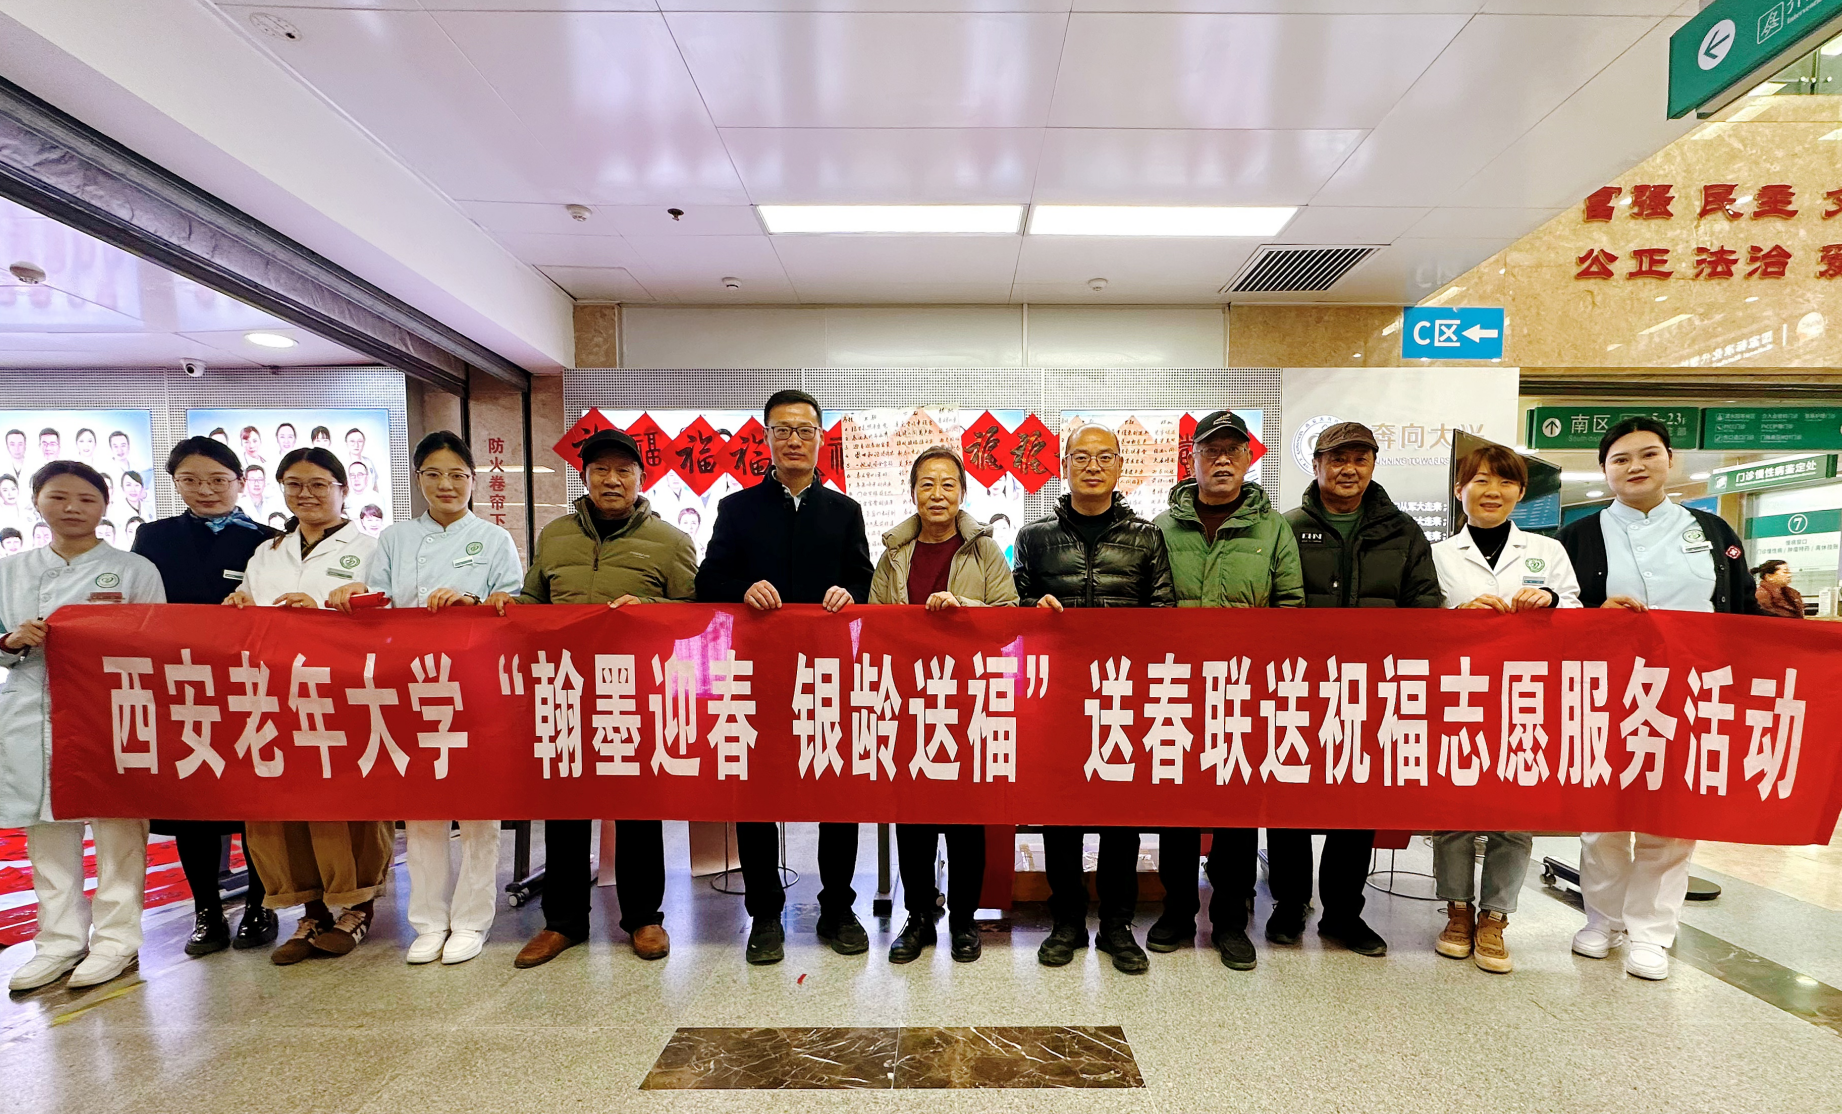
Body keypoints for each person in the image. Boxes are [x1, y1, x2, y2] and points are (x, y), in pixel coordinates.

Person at [1558, 417, 1758, 980]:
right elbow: (1557, 612)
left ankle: (1651, 932)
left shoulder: (1713, 530)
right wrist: (1592, 615)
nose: (1635, 466)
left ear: (1671, 460)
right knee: (1602, 811)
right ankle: (1602, 920)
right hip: (1606, 690)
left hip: (1692, 688)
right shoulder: (1577, 535)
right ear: (1605, 471)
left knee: (1671, 812)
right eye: (1620, 459)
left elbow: (1744, 611)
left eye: (1648, 454)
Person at [697, 389, 874, 966]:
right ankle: (765, 914)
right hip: (757, 674)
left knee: (836, 791)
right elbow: (708, 581)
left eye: (804, 430)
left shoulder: (844, 510)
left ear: (821, 438)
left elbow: (865, 580)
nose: (794, 440)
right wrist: (741, 588)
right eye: (782, 430)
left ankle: (837, 908)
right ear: (767, 438)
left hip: (828, 673)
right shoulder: (737, 509)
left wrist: (850, 592)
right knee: (756, 793)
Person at [330, 431, 521, 966]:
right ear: (418, 480)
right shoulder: (394, 538)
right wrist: (351, 596)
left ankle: (472, 921)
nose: (446, 485)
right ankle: (429, 921)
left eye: (457, 475)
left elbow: (512, 604)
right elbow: (377, 604)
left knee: (479, 810)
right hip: (409, 684)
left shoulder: (494, 538)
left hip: (474, 684)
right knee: (422, 807)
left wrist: (472, 601)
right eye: (434, 474)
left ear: (473, 481)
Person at [513, 428, 697, 969]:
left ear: (641, 477)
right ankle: (563, 921)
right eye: (600, 470)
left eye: (622, 470)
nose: (611, 480)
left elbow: (696, 616)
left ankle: (644, 917)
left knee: (638, 806)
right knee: (565, 806)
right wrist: (508, 605)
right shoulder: (555, 536)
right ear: (586, 476)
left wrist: (647, 609)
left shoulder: (670, 541)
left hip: (635, 689)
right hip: (566, 688)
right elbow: (533, 599)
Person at [1014, 423, 1175, 974]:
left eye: (1104, 457)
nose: (1092, 466)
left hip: (1121, 692)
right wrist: (1032, 609)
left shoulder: (1146, 537)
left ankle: (1116, 926)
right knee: (1060, 815)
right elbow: (1014, 606)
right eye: (1081, 457)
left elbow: (1164, 612)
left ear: (1120, 466)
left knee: (1120, 816)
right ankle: (1066, 922)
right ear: (1064, 465)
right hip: (1056, 693)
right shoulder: (1035, 538)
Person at [1278, 421, 1443, 958]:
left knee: (1357, 803)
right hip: (1298, 686)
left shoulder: (1403, 532)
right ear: (1317, 465)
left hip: (1373, 688)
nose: (1348, 469)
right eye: (1337, 459)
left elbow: (1424, 604)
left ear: (1372, 465)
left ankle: (1344, 914)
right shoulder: (1287, 527)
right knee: (1289, 798)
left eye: (1360, 459)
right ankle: (1288, 904)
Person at [3, 461, 166, 991]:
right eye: (58, 497)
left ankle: (117, 941)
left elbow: (157, 642)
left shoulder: (134, 569)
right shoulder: (10, 570)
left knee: (118, 829)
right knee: (47, 832)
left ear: (104, 506)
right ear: (36, 501)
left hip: (110, 711)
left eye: (86, 499)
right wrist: (11, 641)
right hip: (32, 710)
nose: (72, 508)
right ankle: (58, 943)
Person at [1149, 410, 1302, 972]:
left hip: (1244, 689)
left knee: (1238, 809)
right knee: (1176, 807)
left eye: (1233, 451)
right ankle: (1177, 911)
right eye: (1210, 450)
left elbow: (1291, 607)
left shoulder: (1273, 529)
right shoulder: (1162, 528)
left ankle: (1232, 921)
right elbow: (1147, 611)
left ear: (1247, 459)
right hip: (1177, 688)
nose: (1222, 460)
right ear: (1191, 459)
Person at [227, 447, 387, 965]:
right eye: (294, 484)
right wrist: (239, 606)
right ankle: (310, 909)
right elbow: (248, 614)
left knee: (346, 799)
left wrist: (320, 615)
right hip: (273, 694)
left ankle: (356, 906)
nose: (306, 494)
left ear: (343, 489)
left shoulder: (371, 548)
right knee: (283, 803)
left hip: (342, 692)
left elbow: (388, 620)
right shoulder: (266, 552)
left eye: (319, 484)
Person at [1429, 443, 1580, 975]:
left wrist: (1552, 602)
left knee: (1514, 810)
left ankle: (1495, 916)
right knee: (1455, 809)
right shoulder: (1439, 555)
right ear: (1460, 490)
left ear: (1520, 492)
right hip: (1460, 693)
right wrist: (1457, 613)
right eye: (1481, 480)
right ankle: (1457, 910)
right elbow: (1419, 622)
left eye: (1505, 482)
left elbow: (1580, 615)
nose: (1492, 491)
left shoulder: (1547, 552)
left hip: (1527, 694)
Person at [133, 436, 282, 956]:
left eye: (219, 479)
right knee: (192, 799)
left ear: (240, 482)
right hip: (180, 685)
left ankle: (261, 903)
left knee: (255, 799)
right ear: (175, 484)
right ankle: (206, 911)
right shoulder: (154, 537)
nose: (206, 490)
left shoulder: (268, 541)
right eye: (191, 480)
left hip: (248, 684)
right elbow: (138, 610)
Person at [870, 445, 1018, 966]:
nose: (938, 494)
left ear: (962, 493)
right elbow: (874, 626)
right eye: (927, 484)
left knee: (965, 817)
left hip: (969, 699)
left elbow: (1009, 621)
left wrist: (965, 609)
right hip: (908, 700)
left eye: (948, 484)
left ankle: (963, 920)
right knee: (912, 817)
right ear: (913, 492)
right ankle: (918, 917)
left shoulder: (986, 552)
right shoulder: (893, 554)